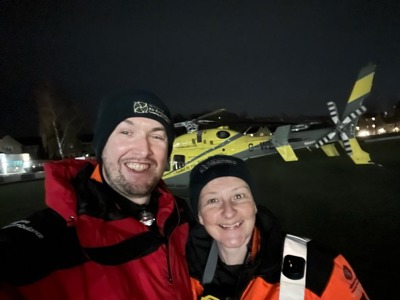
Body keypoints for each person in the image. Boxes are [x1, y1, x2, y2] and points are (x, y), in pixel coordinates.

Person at [0, 90, 195, 300]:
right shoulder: (42, 245)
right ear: (101, 146)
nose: (143, 150)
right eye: (126, 133)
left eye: (157, 136)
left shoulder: (181, 215)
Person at [187, 155, 369, 300]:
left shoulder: (318, 267)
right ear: (200, 216)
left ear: (255, 205)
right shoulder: (179, 269)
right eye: (213, 200)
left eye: (239, 196)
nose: (228, 212)